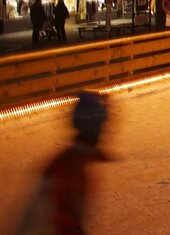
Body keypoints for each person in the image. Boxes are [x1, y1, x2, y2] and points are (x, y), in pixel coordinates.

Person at [17, 91, 110, 234]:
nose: (106, 131)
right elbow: (58, 220)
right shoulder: (70, 169)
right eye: (102, 126)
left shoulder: (74, 161)